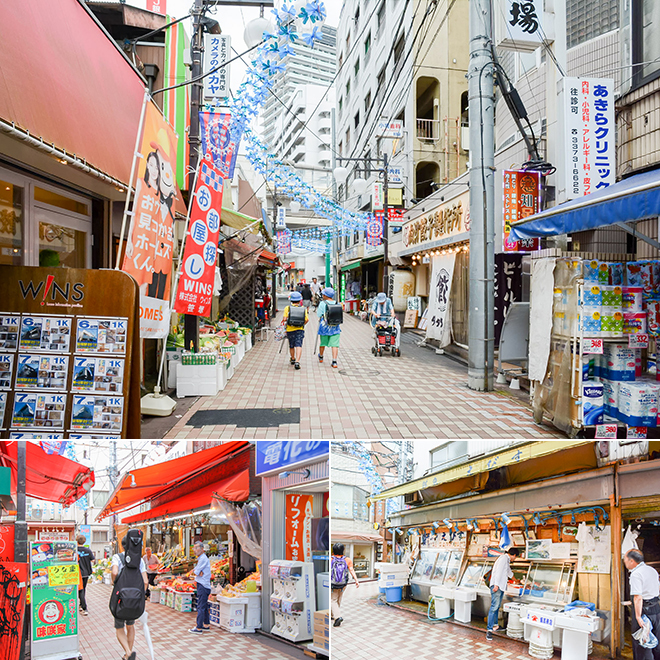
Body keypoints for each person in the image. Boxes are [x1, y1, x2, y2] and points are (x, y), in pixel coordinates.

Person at [112, 536, 148, 660]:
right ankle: (129, 652)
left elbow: (114, 572)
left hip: (121, 597)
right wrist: (140, 596)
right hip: (134, 597)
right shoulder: (140, 560)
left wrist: (114, 583)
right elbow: (145, 581)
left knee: (119, 626)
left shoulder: (118, 557)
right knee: (130, 625)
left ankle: (128, 652)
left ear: (122, 546)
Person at [624, 548, 660, 660]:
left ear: (631, 561)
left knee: (642, 643)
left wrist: (638, 617)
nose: (624, 562)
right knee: (656, 641)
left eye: (625, 559)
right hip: (656, 609)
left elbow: (638, 597)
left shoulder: (636, 574)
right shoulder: (651, 570)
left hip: (644, 611)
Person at [486, 547, 520, 641]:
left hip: (500, 586)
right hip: (497, 586)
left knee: (496, 607)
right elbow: (498, 572)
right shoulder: (503, 559)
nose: (515, 559)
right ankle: (489, 630)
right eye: (515, 557)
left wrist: (516, 580)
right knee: (494, 607)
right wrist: (496, 585)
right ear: (514, 555)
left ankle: (495, 626)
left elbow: (508, 572)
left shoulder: (506, 560)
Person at [330, 543, 359, 628]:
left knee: (332, 600)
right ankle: (334, 615)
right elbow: (351, 570)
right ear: (343, 550)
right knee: (338, 598)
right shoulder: (347, 559)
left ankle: (337, 616)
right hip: (343, 584)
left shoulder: (331, 559)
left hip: (333, 584)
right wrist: (356, 580)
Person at [282, 291, 309, 370]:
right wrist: (302, 324)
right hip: (300, 329)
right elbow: (307, 320)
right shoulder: (303, 309)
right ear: (300, 300)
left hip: (290, 329)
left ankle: (292, 358)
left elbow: (284, 319)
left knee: (291, 345)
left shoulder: (287, 308)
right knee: (298, 345)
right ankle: (297, 361)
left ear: (291, 300)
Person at [189, 541, 211, 634]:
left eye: (197, 548)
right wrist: (197, 571)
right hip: (205, 584)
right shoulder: (201, 558)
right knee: (204, 606)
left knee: (201, 606)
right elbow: (197, 571)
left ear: (202, 549)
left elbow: (197, 571)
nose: (195, 550)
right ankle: (206, 624)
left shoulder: (202, 559)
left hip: (202, 584)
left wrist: (197, 571)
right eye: (194, 548)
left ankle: (198, 628)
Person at [317, 287, 341, 368]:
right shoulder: (337, 303)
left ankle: (321, 356)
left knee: (323, 343)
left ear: (325, 296)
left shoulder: (322, 303)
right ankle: (334, 361)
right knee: (335, 345)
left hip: (324, 327)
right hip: (335, 327)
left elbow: (319, 315)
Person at [77, 534, 95, 616]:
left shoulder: (74, 550)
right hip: (86, 572)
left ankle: (84, 607)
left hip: (77, 573)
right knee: (83, 589)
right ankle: (81, 605)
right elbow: (93, 560)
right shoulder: (88, 550)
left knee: (80, 590)